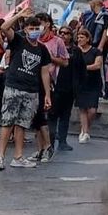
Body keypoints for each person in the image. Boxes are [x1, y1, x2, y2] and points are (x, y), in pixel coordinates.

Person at [0, 10, 52, 170]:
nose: (34, 31)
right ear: (25, 29)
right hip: (14, 86)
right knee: (7, 122)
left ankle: (18, 157)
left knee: (22, 124)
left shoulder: (42, 49)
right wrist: (19, 16)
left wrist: (47, 94)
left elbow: (45, 71)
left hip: (31, 90)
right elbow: (5, 27)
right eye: (31, 28)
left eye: (37, 28)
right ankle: (0, 157)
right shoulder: (18, 40)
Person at [34, 13, 70, 162]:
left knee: (44, 117)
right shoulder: (34, 40)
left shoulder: (57, 42)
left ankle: (48, 146)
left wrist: (49, 58)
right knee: (36, 117)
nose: (38, 28)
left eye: (40, 23)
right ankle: (39, 149)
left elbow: (65, 62)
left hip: (49, 82)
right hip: (33, 80)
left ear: (48, 24)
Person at [49, 25, 78, 153]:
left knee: (65, 116)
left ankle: (62, 141)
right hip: (54, 86)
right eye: (60, 32)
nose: (63, 35)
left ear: (71, 36)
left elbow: (80, 70)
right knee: (52, 115)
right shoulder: (53, 48)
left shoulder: (75, 51)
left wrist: (77, 87)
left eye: (66, 33)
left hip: (68, 88)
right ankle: (49, 141)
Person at [73, 28, 103, 145]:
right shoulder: (76, 51)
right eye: (78, 37)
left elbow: (97, 65)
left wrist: (84, 68)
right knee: (82, 108)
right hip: (80, 83)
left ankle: (86, 128)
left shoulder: (96, 51)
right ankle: (84, 132)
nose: (80, 39)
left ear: (88, 38)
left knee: (92, 110)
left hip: (93, 83)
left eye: (82, 37)